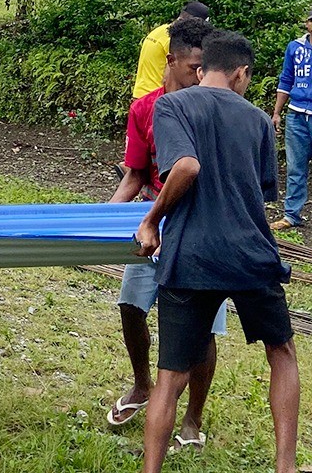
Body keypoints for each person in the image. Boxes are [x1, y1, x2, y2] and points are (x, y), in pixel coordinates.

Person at [136, 30, 298, 473]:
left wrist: (150, 220)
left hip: (191, 254)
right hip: (250, 254)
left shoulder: (171, 105)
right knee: (281, 352)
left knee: (169, 378)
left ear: (202, 67)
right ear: (242, 73)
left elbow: (185, 166)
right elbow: (262, 194)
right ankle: (285, 466)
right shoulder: (259, 121)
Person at [104, 17, 227, 447]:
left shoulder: (215, 109)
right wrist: (103, 221)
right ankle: (142, 384)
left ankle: (193, 419)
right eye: (191, 65)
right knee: (131, 305)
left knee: (204, 326)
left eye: (203, 66)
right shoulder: (145, 109)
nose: (198, 74)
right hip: (154, 220)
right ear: (170, 60)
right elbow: (135, 174)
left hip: (204, 225)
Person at [270, 10, 312, 231]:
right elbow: (286, 79)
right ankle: (291, 215)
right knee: (296, 168)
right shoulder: (295, 48)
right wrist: (277, 112)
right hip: (297, 114)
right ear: (307, 24)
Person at [132, 0, 210, 99]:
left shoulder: (159, 31)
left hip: (140, 93)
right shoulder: (175, 40)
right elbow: (168, 75)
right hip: (157, 97)